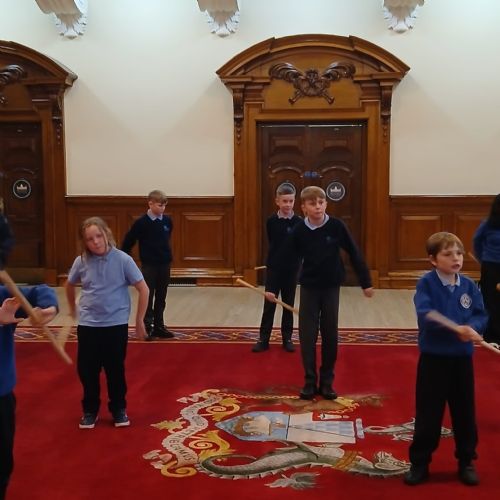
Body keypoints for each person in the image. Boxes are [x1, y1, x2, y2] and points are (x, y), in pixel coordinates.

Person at [404, 232, 487, 487]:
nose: (456, 258)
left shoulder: (469, 286)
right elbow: (426, 314)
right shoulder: (426, 284)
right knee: (429, 413)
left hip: (461, 361)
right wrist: (454, 328)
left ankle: (466, 460)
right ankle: (420, 462)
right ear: (433, 259)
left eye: (459, 253)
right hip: (434, 360)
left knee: (465, 412)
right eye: (448, 254)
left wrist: (473, 327)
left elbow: (480, 314)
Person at [290, 186, 373, 400]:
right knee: (307, 335)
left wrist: (365, 281)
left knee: (330, 334)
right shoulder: (299, 230)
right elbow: (286, 259)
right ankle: (310, 381)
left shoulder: (336, 226)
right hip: (309, 287)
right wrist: (273, 287)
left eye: (321, 202)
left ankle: (327, 382)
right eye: (312, 203)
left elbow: (354, 253)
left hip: (330, 287)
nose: (318, 207)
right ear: (304, 207)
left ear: (326, 204)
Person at [66, 217, 148, 430]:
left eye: (98, 236)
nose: (95, 242)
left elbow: (143, 289)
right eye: (89, 239)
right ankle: (90, 410)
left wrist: (139, 320)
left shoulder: (123, 260)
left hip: (115, 324)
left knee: (115, 369)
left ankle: (118, 408)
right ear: (84, 242)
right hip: (89, 325)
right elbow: (69, 284)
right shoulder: (81, 261)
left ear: (107, 234)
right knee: (87, 370)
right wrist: (73, 309)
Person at [0, 285, 58, 500]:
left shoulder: (3, 295)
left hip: (1, 395)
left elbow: (38, 291)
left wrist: (48, 308)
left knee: (2, 463)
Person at [252, 184, 302, 353]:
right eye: (284, 201)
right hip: (274, 269)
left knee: (287, 304)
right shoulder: (271, 221)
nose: (288, 204)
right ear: (277, 201)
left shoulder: (299, 222)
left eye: (291, 201)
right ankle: (263, 338)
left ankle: (287, 338)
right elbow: (273, 243)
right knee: (269, 304)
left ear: (294, 201)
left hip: (291, 270)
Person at [122, 190, 174, 340]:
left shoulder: (167, 221)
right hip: (149, 265)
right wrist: (125, 258)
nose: (162, 208)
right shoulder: (141, 223)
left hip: (164, 263)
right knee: (148, 295)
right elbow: (129, 240)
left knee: (161, 296)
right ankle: (147, 326)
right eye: (159, 205)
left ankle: (159, 325)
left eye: (164, 205)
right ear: (150, 203)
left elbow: (166, 238)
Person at [473, 193, 500, 345]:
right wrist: (482, 259)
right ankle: (492, 335)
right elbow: (477, 242)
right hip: (491, 267)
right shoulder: (488, 224)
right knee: (491, 301)